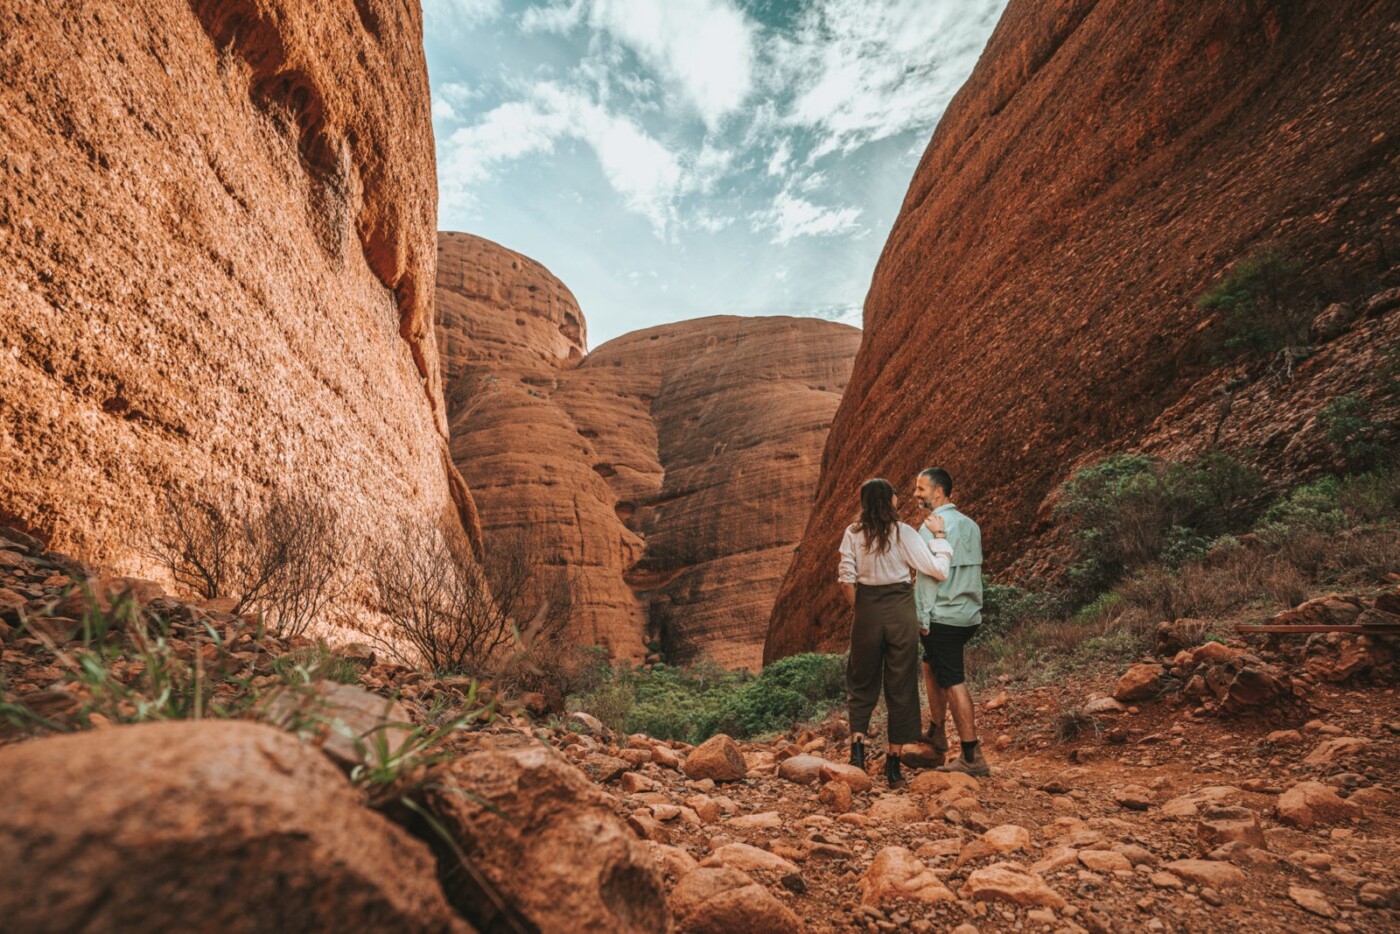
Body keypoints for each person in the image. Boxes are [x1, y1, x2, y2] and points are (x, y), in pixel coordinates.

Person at [838, 477, 952, 787]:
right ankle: (893, 767)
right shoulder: (903, 533)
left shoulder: (852, 533)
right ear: (889, 501)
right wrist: (940, 539)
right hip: (900, 611)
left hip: (866, 611)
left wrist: (860, 610)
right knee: (900, 683)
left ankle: (857, 754)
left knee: (861, 681)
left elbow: (846, 579)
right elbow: (937, 570)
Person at [912, 467, 988, 776]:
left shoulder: (930, 528)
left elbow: (929, 579)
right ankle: (936, 731)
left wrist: (922, 618)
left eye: (921, 489)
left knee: (953, 678)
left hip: (943, 615)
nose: (916, 495)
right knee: (931, 665)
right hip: (967, 613)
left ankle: (971, 755)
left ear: (938, 492)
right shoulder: (970, 524)